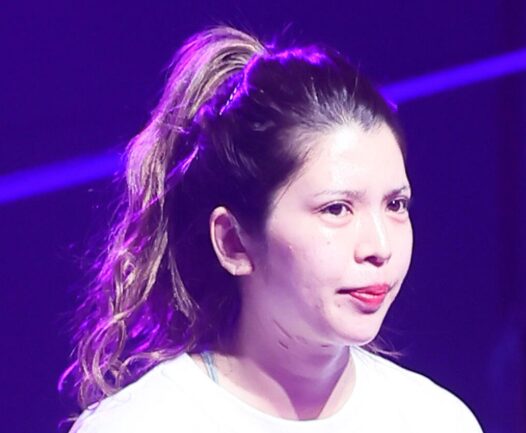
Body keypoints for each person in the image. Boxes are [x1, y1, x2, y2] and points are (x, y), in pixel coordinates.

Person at [62, 26, 484, 432]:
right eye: (336, 209)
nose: (380, 246)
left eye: (395, 205)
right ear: (233, 241)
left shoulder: (436, 421)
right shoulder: (140, 425)